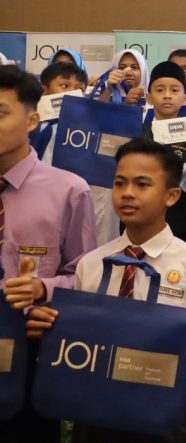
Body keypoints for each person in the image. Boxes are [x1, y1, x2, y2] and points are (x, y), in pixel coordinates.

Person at [26, 138, 186, 443]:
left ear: (172, 196)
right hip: (95, 409)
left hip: (164, 411)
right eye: (120, 183)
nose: (128, 193)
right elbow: (78, 339)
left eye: (142, 184)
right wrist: (50, 330)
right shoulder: (92, 264)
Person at [0, 66, 97, 442]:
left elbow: (86, 279)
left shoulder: (68, 191)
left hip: (31, 349)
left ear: (32, 121)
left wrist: (44, 289)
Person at [142, 61, 186, 254]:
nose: (167, 96)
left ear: (185, 98)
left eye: (174, 90)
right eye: (159, 90)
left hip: (185, 218)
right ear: (149, 97)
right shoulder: (138, 131)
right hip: (145, 213)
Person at [30, 61, 88, 163]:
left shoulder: (83, 132)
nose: (72, 92)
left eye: (79, 89)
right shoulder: (28, 120)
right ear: (44, 90)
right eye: (64, 86)